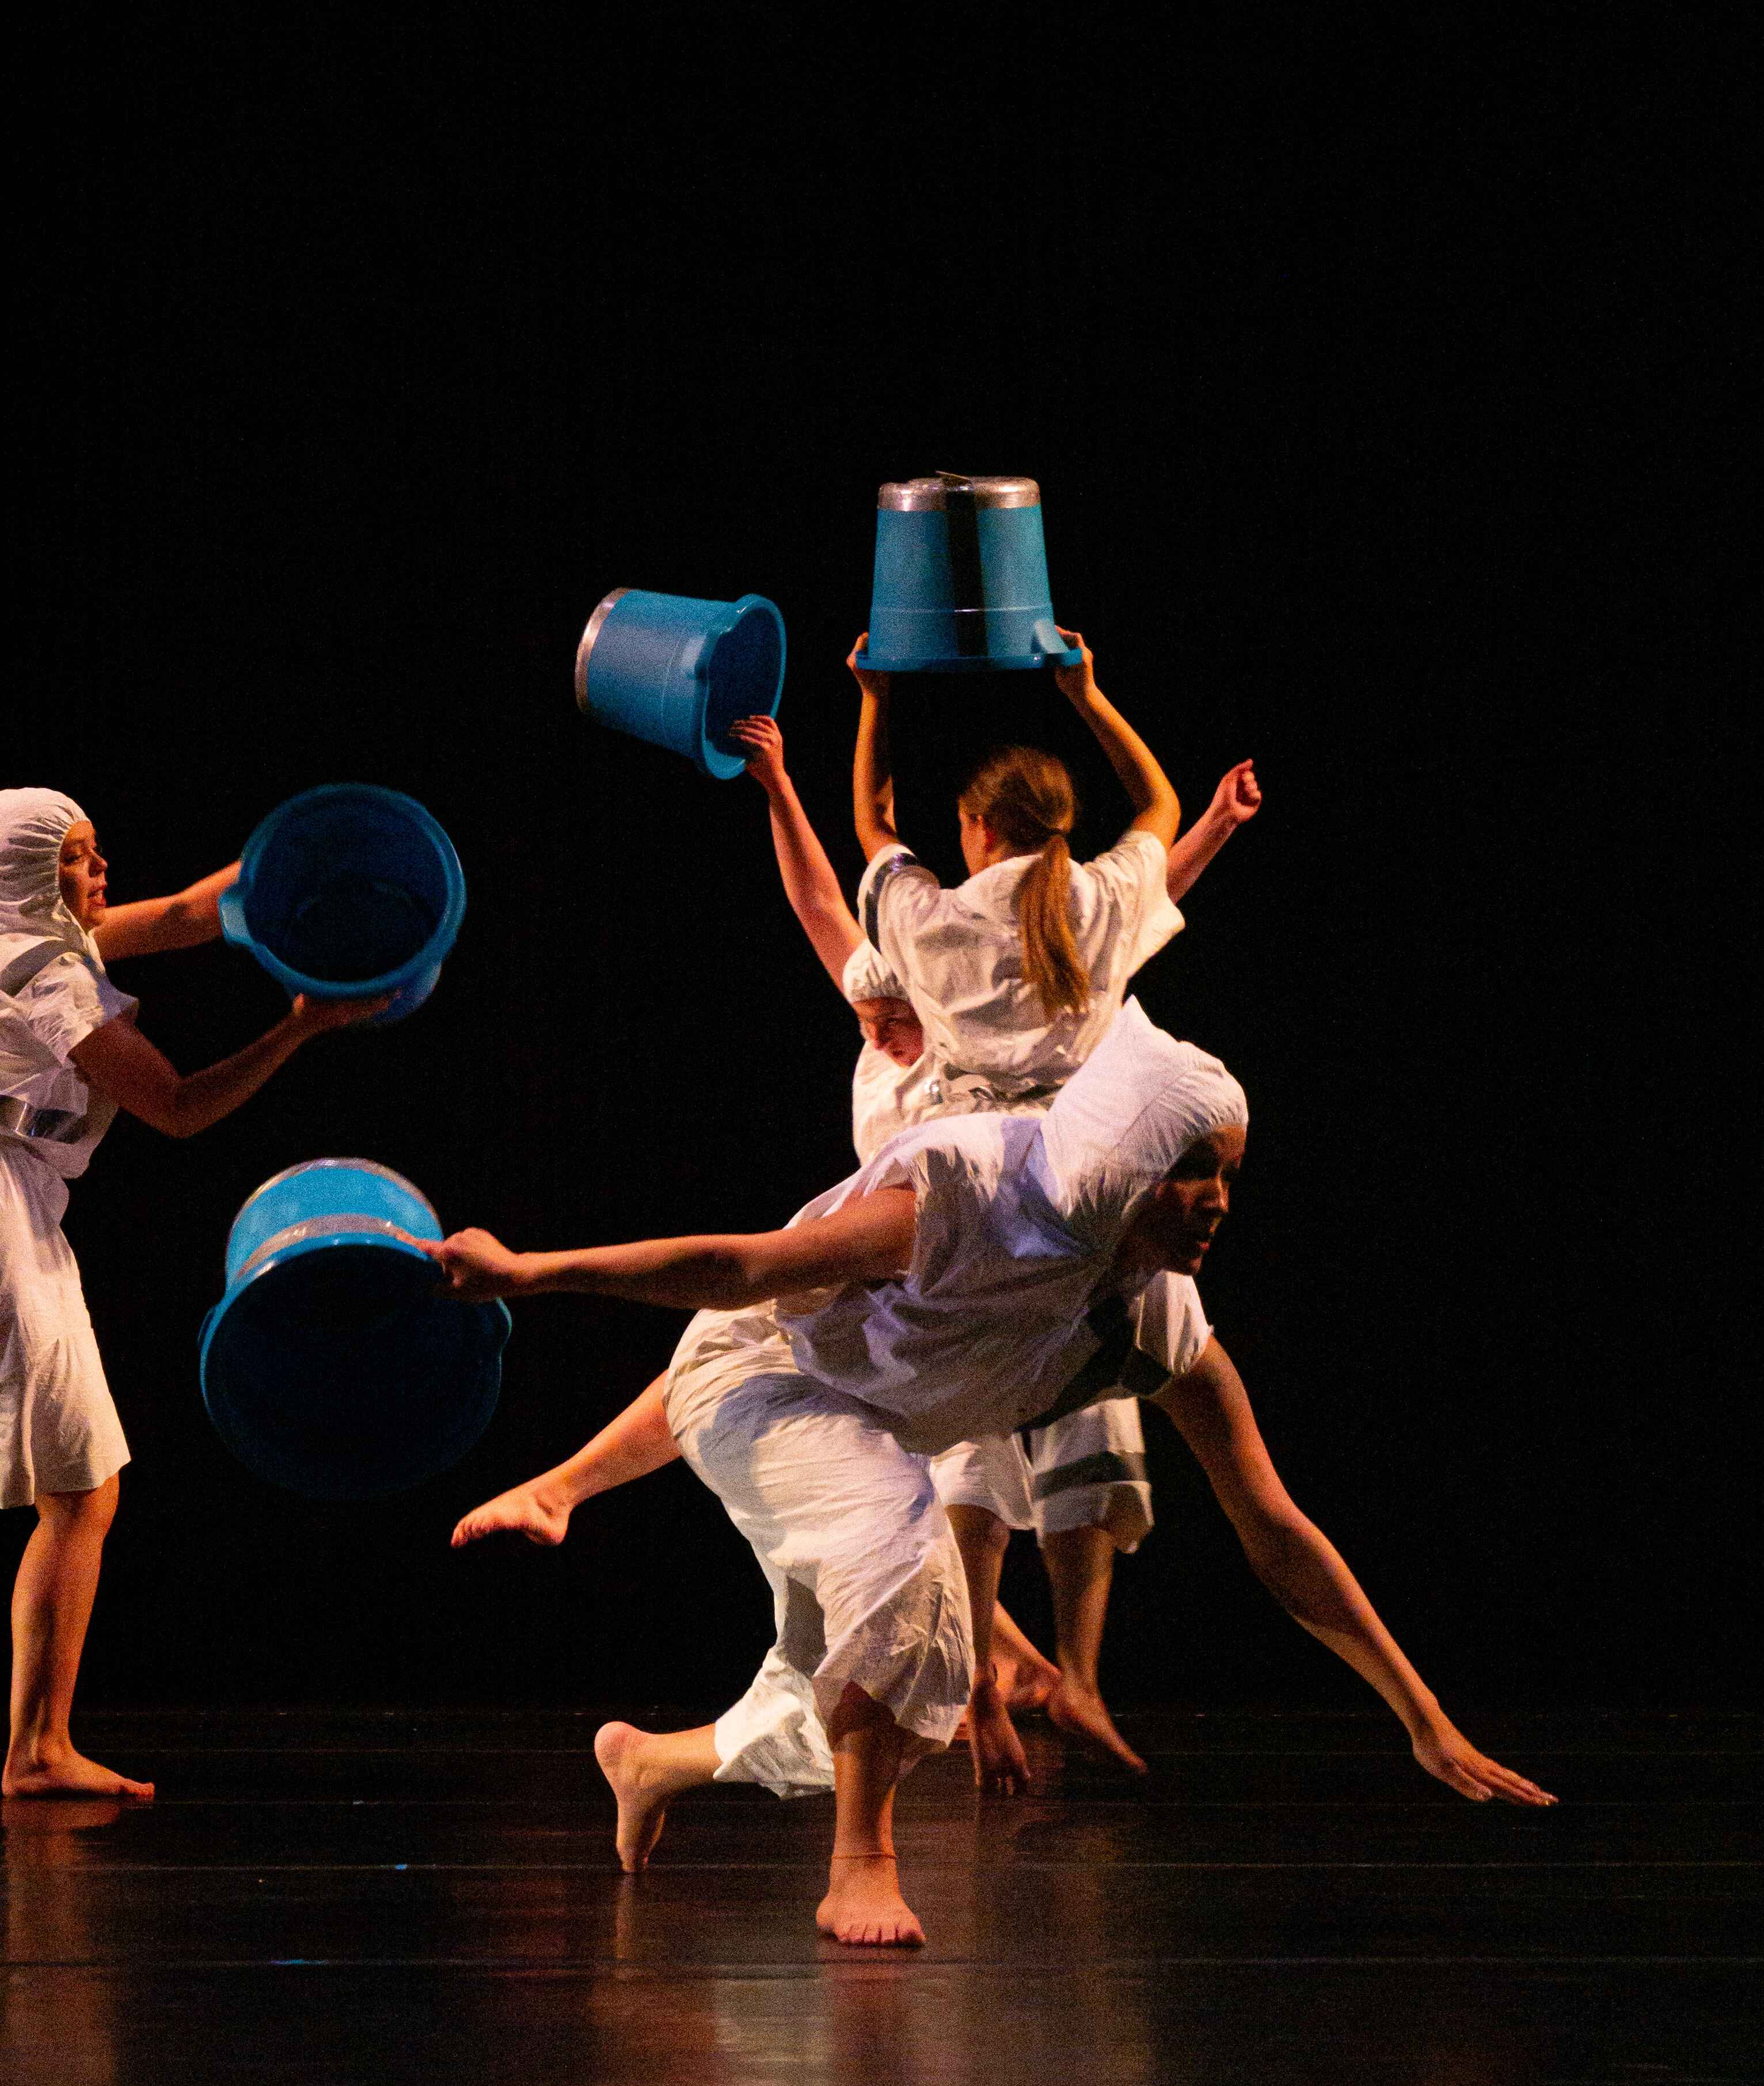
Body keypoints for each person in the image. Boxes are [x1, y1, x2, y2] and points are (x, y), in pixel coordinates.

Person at [440, 1003, 1553, 1944]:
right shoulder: (970, 1201)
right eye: (1192, 1170)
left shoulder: (1158, 1329)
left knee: (845, 1698)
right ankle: (859, 1868)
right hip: (761, 1382)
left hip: (859, 1419)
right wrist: (527, 1276)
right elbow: (742, 1274)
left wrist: (1421, 1714)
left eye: (1231, 1175)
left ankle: (651, 1766)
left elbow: (1273, 1528)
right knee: (905, 1555)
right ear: (1124, 1162)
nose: (1218, 1199)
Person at [731, 701, 1259, 1786]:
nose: (884, 1023)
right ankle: (1010, 1672)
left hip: (1007, 1249)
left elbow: (856, 887)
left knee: (1048, 1430)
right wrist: (1204, 823)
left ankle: (1046, 1673)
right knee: (981, 1448)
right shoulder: (935, 1032)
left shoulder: (950, 979)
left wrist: (847, 722)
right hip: (1009, 1248)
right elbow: (832, 905)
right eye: (874, 1010)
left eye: (889, 1008)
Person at [1, 789, 378, 1799]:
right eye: (78, 860)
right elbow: (173, 1105)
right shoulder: (37, 968)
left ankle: (39, 1744)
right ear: (31, 883)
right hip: (2, 1212)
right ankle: (36, 1746)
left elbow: (179, 916)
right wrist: (296, 1030)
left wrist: (299, 855)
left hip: (24, 1211)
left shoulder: (41, 937)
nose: (101, 872)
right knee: (81, 1483)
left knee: (79, 1484)